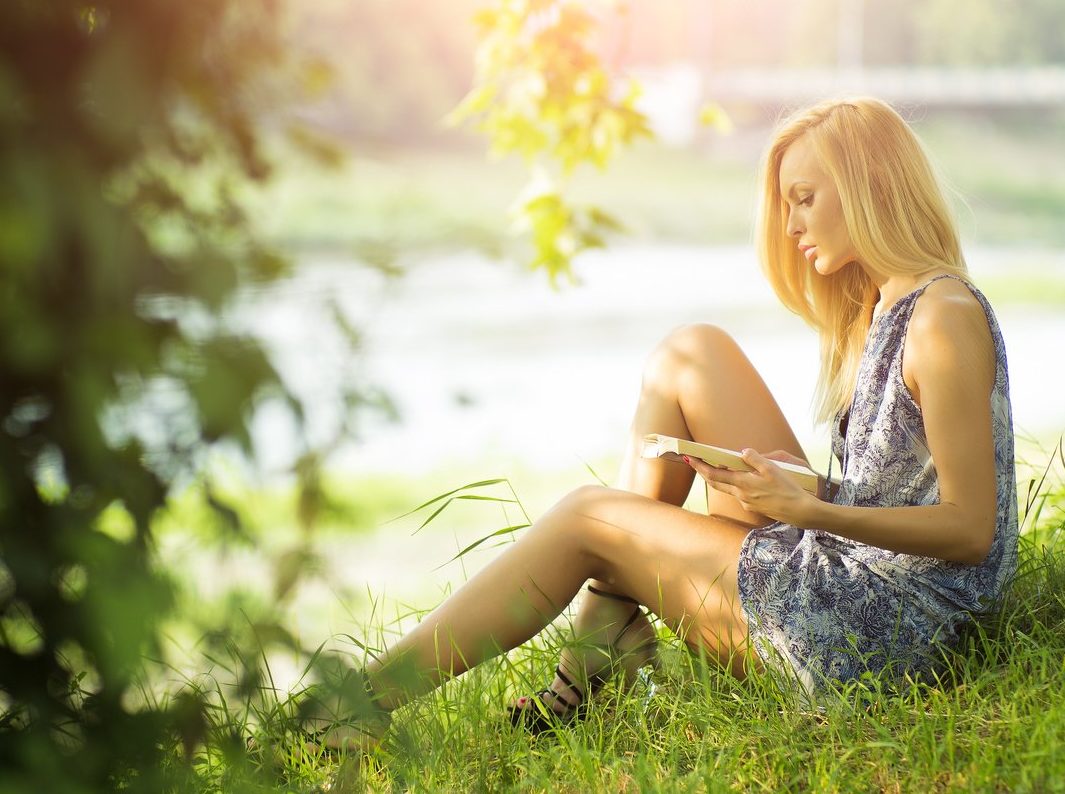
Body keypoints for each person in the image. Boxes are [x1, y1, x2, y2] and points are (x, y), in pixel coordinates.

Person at [295, 96, 1018, 750]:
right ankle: (606, 630)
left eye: (804, 199)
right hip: (856, 583)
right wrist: (795, 489)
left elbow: (968, 528)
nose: (792, 224)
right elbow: (895, 493)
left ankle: (366, 700)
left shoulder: (941, 317)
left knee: (590, 520)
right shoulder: (886, 305)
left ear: (869, 187)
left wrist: (804, 506)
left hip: (885, 637)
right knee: (689, 355)